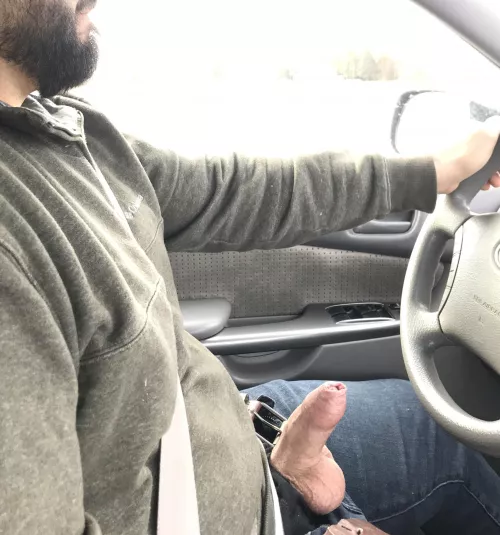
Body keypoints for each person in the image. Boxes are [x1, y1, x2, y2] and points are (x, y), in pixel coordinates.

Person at [1, 1, 500, 534]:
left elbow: (225, 192)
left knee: (434, 433)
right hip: (220, 510)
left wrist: (436, 170)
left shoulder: (59, 129)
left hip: (227, 438)